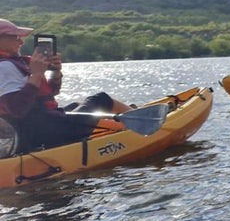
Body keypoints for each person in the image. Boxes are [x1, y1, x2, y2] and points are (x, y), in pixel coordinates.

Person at [0, 18, 133, 153]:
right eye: (15, 37)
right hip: (48, 131)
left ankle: (126, 123)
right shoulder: (5, 67)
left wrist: (56, 72)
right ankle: (142, 125)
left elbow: (47, 95)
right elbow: (17, 109)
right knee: (101, 99)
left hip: (39, 129)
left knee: (76, 105)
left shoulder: (10, 64)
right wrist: (36, 74)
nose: (21, 42)